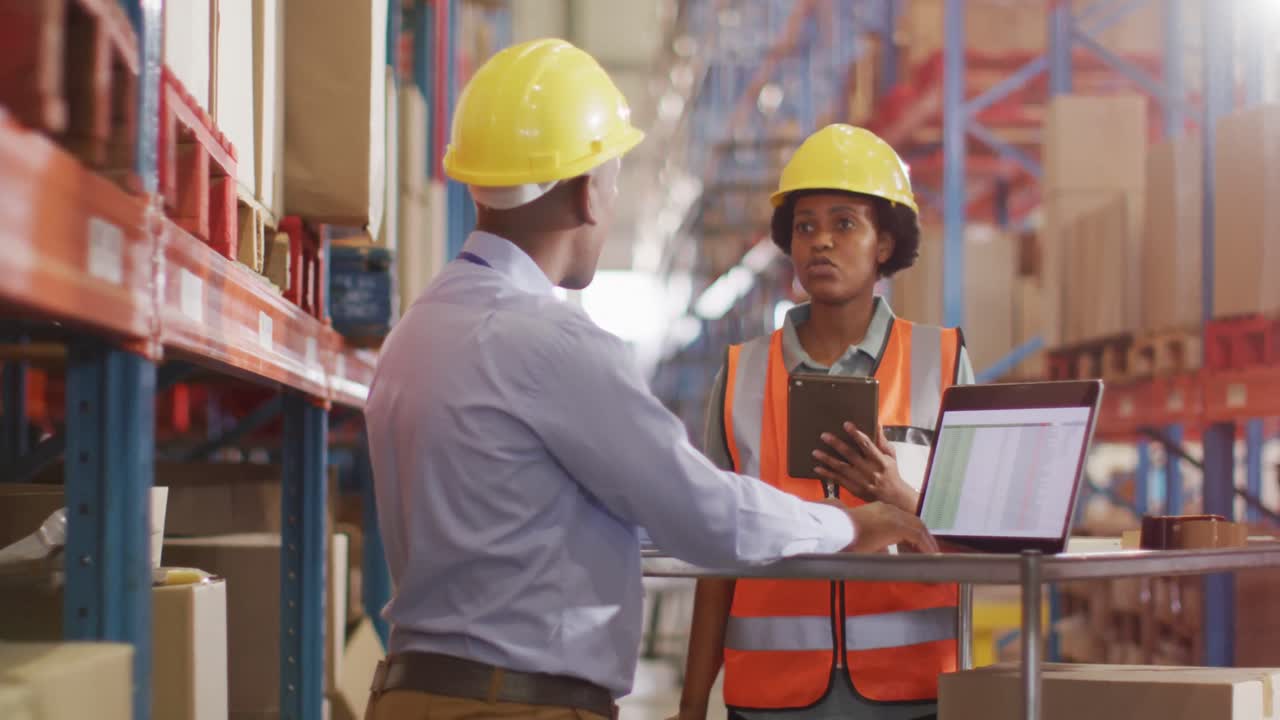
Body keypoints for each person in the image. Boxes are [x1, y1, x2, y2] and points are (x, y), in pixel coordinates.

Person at [361, 41, 938, 720]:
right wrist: (846, 525)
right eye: (612, 182)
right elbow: (705, 515)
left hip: (407, 696)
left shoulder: (415, 333)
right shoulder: (555, 345)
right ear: (587, 191)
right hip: (514, 705)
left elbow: (530, 516)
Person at [676, 124, 976, 720]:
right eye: (805, 226)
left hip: (912, 693)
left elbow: (978, 535)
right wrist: (690, 707)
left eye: (845, 223)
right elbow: (718, 555)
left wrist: (900, 496)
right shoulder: (741, 375)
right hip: (770, 696)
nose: (821, 242)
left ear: (884, 243)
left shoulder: (941, 362)